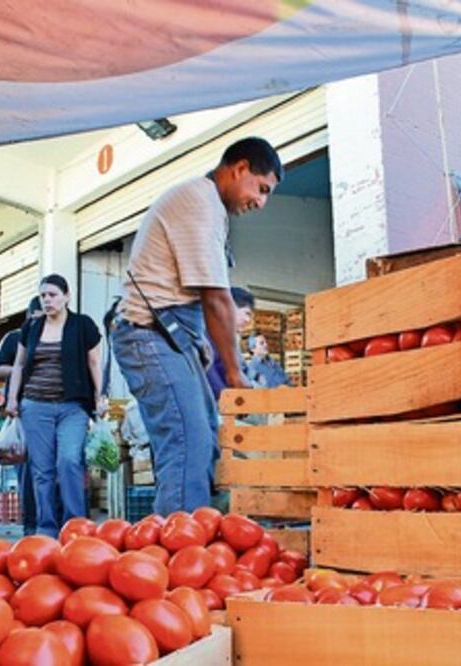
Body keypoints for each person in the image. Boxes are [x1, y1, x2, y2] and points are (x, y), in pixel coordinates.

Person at [112, 137, 283, 515]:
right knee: (187, 443)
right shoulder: (199, 202)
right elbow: (217, 300)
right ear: (239, 169)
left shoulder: (208, 208)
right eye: (262, 188)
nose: (261, 203)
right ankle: (180, 551)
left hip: (168, 339)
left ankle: (196, 536)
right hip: (147, 334)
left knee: (204, 436)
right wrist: (236, 374)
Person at [7, 274, 104, 537]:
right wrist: (12, 399)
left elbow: (94, 363)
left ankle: (75, 526)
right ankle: (46, 528)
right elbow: (19, 364)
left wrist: (99, 397)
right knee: (42, 470)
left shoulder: (82, 325)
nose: (47, 300)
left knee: (70, 461)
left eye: (52, 294)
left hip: (73, 407)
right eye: (43, 296)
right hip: (35, 406)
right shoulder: (31, 327)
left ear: (66, 296)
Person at [0, 296, 42, 535]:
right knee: (29, 473)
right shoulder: (13, 338)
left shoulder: (63, 335)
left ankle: (59, 525)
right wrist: (22, 368)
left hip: (57, 411)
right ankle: (31, 527)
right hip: (22, 414)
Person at [205, 286, 255, 400]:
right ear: (230, 307)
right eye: (246, 313)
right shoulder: (212, 335)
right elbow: (210, 372)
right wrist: (227, 400)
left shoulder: (231, 340)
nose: (248, 320)